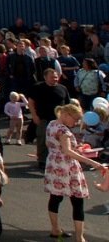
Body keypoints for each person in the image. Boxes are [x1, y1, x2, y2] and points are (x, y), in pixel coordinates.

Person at [43, 103, 109, 242]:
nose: (76, 123)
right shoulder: (64, 131)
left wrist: (72, 147)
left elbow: (50, 144)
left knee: (55, 197)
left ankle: (55, 229)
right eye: (75, 119)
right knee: (77, 200)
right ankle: (79, 237)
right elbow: (68, 151)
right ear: (66, 115)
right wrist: (92, 162)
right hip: (67, 166)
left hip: (53, 163)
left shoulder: (52, 124)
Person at [27, 69, 71, 170]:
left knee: (60, 140)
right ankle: (42, 160)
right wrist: (34, 116)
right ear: (45, 77)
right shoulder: (38, 87)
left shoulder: (63, 88)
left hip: (59, 120)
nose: (55, 79)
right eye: (52, 77)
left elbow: (67, 104)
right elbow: (31, 102)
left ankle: (59, 159)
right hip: (43, 118)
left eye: (56, 77)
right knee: (43, 139)